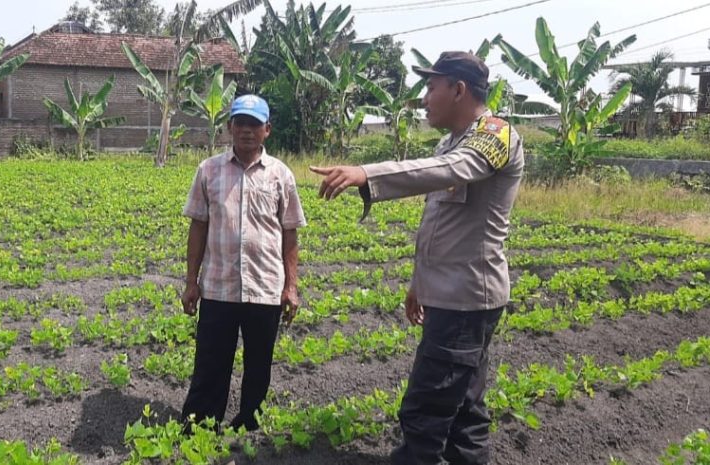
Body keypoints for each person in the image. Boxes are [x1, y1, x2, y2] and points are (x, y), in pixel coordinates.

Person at [311, 51, 524, 465]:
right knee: (464, 411)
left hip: (465, 301)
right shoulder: (451, 142)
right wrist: (420, 284)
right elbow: (441, 223)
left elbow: (451, 170)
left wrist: (368, 173)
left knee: (425, 412)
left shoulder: (496, 134)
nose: (424, 98)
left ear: (458, 90)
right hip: (451, 296)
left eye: (430, 87)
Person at [179, 94, 306, 432]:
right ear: (229, 127)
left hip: (264, 287)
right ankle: (199, 425)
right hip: (218, 286)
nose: (247, 130)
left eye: (254, 124)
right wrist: (191, 282)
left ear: (267, 129)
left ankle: (249, 425)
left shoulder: (281, 175)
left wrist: (291, 287)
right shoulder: (208, 170)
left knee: (259, 364)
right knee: (210, 362)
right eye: (240, 123)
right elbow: (198, 226)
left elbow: (290, 232)